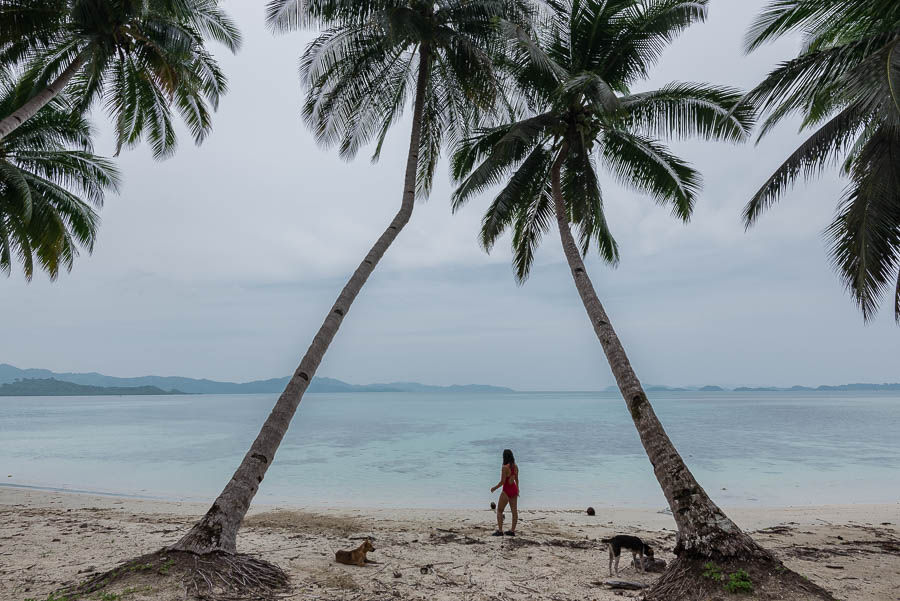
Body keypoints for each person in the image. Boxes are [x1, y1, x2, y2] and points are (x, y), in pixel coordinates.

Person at [490, 449, 519, 536]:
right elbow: (517, 479)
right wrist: (518, 489)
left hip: (506, 490)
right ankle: (512, 531)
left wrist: (494, 488)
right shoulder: (515, 466)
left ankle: (500, 531)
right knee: (514, 511)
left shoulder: (504, 468)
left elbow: (502, 482)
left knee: (499, 510)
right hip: (514, 489)